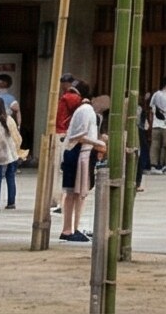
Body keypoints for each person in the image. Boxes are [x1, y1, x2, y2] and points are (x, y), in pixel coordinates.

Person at [58, 92, 107, 242]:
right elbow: (78, 136)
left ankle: (72, 228)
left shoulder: (85, 111)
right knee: (76, 194)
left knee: (76, 194)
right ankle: (69, 229)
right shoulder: (86, 111)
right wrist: (99, 143)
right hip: (78, 153)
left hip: (80, 152)